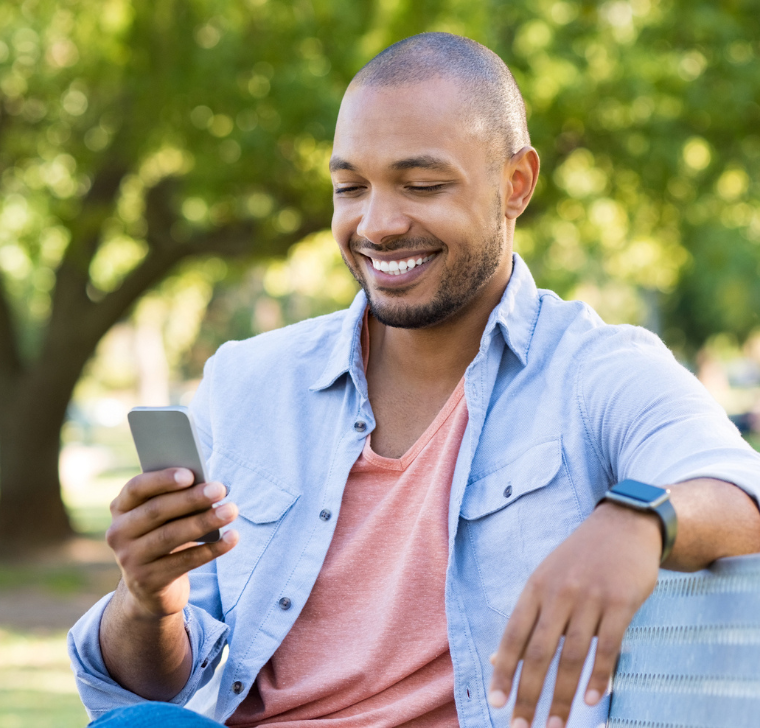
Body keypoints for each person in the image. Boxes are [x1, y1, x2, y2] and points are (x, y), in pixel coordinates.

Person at [68, 32, 760, 728]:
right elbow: (153, 685)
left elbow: (738, 491)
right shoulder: (249, 383)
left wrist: (640, 518)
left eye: (422, 185)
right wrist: (148, 599)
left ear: (515, 184)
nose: (377, 223)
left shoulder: (595, 372)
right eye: (350, 188)